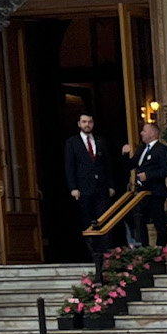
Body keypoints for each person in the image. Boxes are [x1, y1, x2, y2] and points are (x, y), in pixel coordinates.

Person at [64, 112, 113, 267]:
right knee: (88, 222)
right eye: (84, 122)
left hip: (101, 187)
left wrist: (111, 185)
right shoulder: (72, 142)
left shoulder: (100, 141)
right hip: (83, 189)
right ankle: (93, 255)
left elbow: (108, 165)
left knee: (104, 219)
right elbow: (69, 166)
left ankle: (105, 254)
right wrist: (73, 187)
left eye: (90, 122)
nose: (87, 125)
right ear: (79, 124)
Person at [129, 119, 167, 252]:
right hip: (141, 192)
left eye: (144, 131)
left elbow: (165, 170)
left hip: (155, 192)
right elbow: (132, 164)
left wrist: (148, 175)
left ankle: (161, 246)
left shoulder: (162, 150)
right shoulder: (141, 149)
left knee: (158, 219)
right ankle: (144, 246)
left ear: (152, 134)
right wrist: (125, 154)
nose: (141, 133)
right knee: (139, 218)